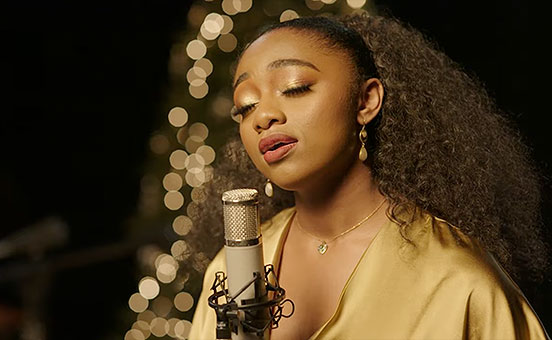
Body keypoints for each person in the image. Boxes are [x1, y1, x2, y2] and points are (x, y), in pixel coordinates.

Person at [187, 13, 550, 339]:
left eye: (295, 87)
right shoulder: (229, 271)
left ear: (366, 101)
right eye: (246, 106)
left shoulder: (457, 281)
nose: (263, 116)